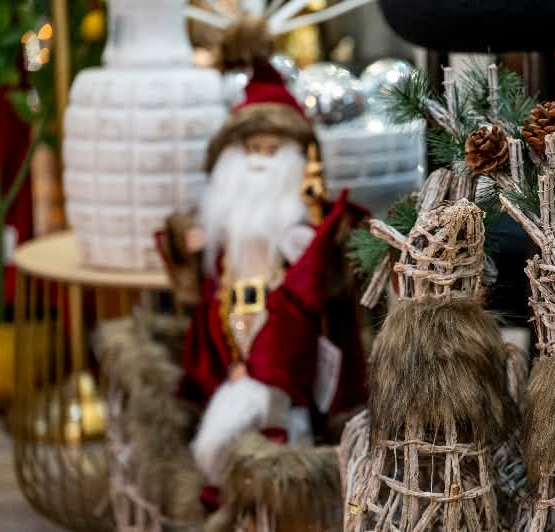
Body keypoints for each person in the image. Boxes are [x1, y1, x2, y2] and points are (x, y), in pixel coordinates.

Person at [159, 17, 367, 490]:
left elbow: (329, 275)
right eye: (251, 148)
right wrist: (184, 241)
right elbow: (190, 266)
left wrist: (319, 241)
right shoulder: (222, 218)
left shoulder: (301, 221)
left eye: (273, 150)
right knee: (230, 407)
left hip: (281, 336)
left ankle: (285, 474)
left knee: (280, 409)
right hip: (228, 328)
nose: (259, 160)